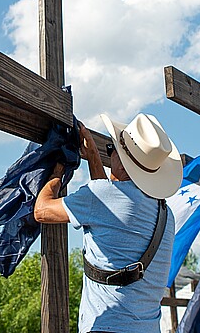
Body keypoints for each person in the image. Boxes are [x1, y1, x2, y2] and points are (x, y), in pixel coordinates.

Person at [34, 113, 184, 333]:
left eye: (112, 150)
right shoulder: (165, 214)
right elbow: (111, 208)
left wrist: (58, 170)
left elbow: (42, 210)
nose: (109, 153)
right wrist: (93, 155)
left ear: (123, 167)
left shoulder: (103, 198)